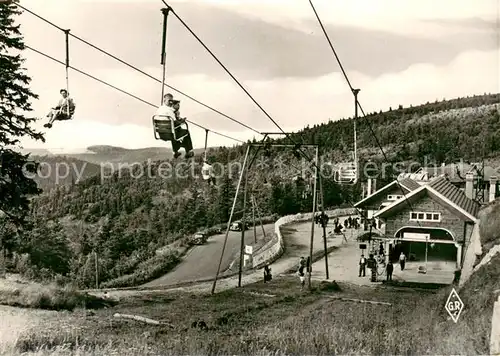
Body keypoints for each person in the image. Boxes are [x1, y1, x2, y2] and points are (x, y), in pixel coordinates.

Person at [154, 94, 194, 159]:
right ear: (164, 100)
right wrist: (182, 121)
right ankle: (189, 151)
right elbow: (175, 123)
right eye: (169, 100)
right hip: (170, 134)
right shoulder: (169, 111)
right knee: (185, 132)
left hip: (161, 134)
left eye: (171, 101)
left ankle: (176, 151)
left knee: (173, 131)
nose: (170, 102)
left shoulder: (159, 109)